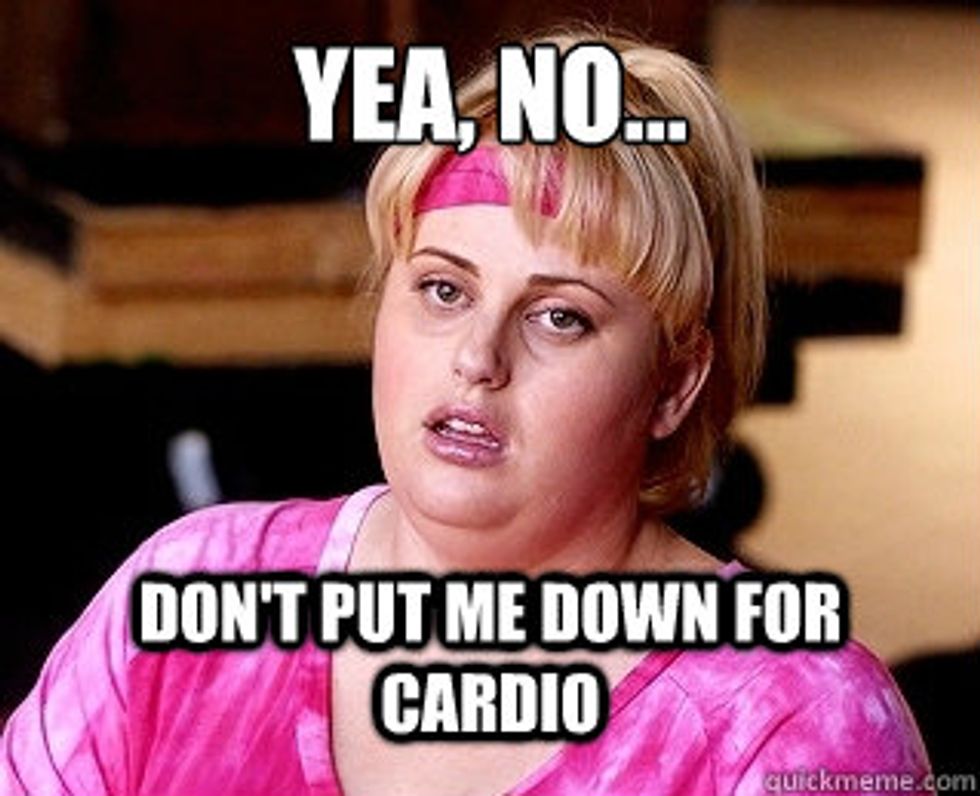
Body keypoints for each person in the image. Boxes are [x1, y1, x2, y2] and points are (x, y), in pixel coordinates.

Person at [1, 28, 931, 796]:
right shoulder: (185, 601)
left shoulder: (792, 729)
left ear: (674, 385)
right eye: (444, 290)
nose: (478, 359)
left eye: (560, 317)